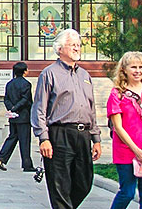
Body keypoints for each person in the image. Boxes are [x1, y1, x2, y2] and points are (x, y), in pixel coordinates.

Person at [31, 28, 102, 209]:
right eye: (72, 45)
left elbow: (91, 108)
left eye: (78, 45)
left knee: (84, 183)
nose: (77, 48)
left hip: (83, 134)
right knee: (59, 184)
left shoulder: (84, 75)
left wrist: (96, 138)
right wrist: (43, 138)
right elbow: (40, 108)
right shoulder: (49, 73)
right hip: (59, 134)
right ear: (60, 48)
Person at [107, 51, 142, 209]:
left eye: (140, 67)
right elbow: (118, 126)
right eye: (133, 67)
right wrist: (136, 150)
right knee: (127, 192)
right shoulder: (117, 94)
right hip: (126, 151)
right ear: (124, 70)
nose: (137, 71)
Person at [0, 62, 35, 172]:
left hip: (13, 116)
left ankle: (1, 158)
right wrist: (16, 107)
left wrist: (11, 108)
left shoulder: (9, 84)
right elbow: (26, 99)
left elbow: (6, 99)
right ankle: (27, 164)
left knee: (13, 137)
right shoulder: (26, 84)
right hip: (23, 115)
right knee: (24, 141)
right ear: (24, 71)